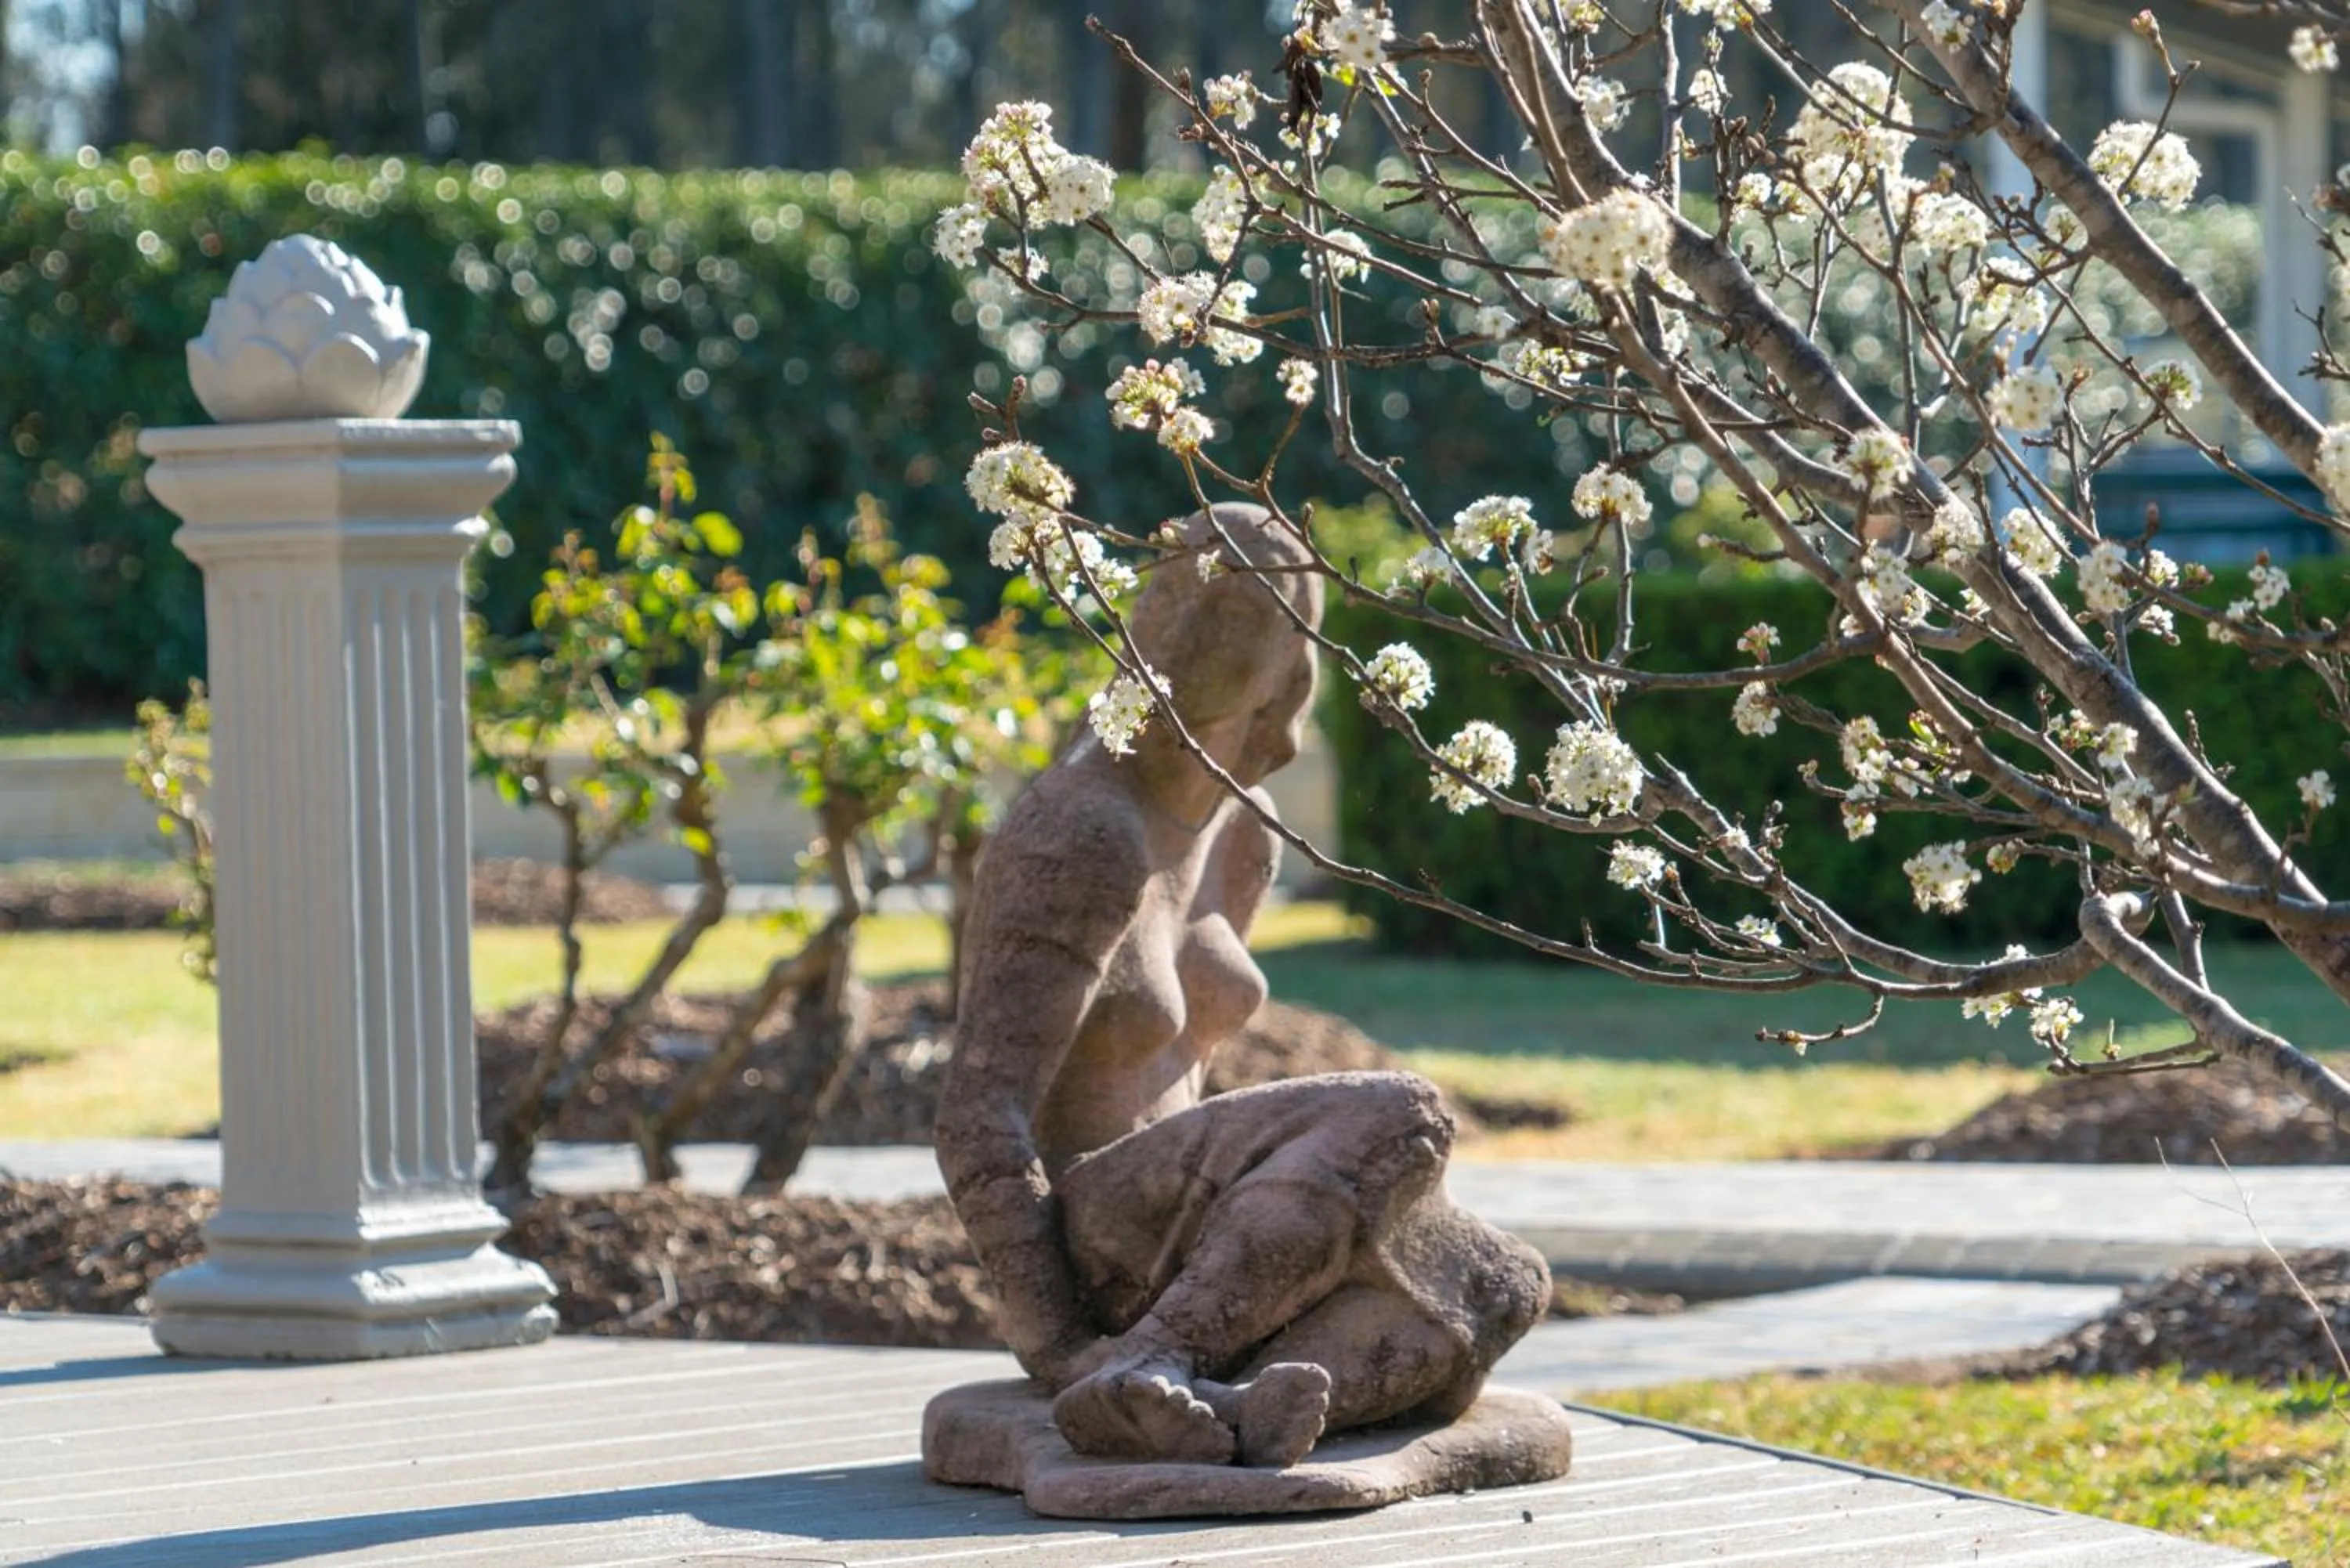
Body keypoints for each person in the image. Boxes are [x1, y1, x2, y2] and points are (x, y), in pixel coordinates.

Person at [936, 504, 1549, 1469]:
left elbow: (1202, 1079)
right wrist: (1056, 1343)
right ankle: (1139, 1364)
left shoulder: (1244, 829)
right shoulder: (1082, 832)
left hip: (1202, 1234)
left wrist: (1286, 1228)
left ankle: (1220, 1406)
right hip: (1103, 1238)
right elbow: (980, 1111)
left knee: (1497, 1280)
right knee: (1403, 1116)